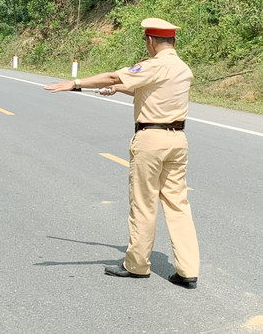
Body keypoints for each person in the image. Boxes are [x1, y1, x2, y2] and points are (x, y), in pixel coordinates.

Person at [44, 18, 199, 289]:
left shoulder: (154, 65)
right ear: (173, 41)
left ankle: (137, 265)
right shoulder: (182, 68)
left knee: (143, 203)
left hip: (151, 139)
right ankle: (188, 269)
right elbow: (150, 90)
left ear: (151, 41)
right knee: (178, 204)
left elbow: (115, 76)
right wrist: (119, 88)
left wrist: (76, 83)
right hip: (178, 140)